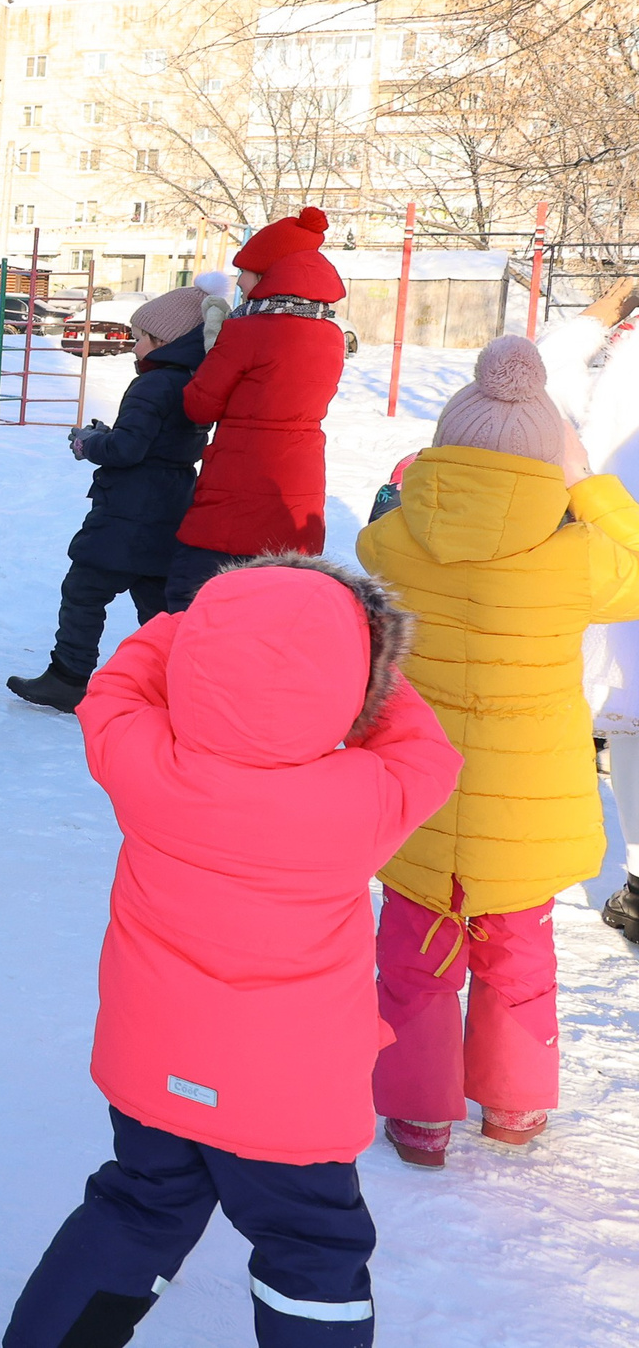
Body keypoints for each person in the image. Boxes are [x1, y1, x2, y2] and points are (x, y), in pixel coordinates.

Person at [3, 557, 458, 1347]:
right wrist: (364, 668)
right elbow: (426, 749)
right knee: (311, 1245)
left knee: (138, 1205)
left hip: (154, 1065)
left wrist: (196, 631)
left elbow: (115, 686)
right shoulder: (362, 798)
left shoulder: (144, 762)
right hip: (290, 1096)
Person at [356, 336, 639, 1163]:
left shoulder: (392, 540)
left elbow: (372, 549)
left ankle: (419, 1115)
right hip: (527, 809)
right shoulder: (574, 557)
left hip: (418, 795)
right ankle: (514, 1105)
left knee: (413, 962)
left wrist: (418, 483)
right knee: (518, 958)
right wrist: (587, 482)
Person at [7, 283, 215, 713]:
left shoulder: (152, 385)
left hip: (128, 509)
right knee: (158, 606)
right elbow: (159, 442)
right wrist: (110, 435)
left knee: (84, 589)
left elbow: (127, 450)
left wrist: (89, 443)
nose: (134, 345)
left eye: (140, 337)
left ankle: (68, 677)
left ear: (164, 341)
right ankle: (174, 683)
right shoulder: (194, 383)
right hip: (172, 505)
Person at [165, 209, 346, 611]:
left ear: (269, 274)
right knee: (269, 610)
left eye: (245, 272)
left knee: (192, 600)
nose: (240, 282)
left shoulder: (247, 330)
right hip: (297, 489)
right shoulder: (331, 333)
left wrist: (212, 354)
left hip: (238, 486)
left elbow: (199, 406)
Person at [536, 275, 639, 942]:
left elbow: (537, 374)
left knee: (628, 729)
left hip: (616, 563)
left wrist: (606, 310)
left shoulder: (626, 358)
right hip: (616, 562)